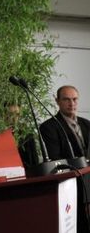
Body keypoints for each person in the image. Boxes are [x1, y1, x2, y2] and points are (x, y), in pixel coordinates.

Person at [40, 85, 90, 233]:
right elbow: (56, 160)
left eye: (74, 99)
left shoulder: (87, 124)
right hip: (72, 185)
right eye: (66, 99)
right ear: (57, 101)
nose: (71, 103)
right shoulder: (49, 127)